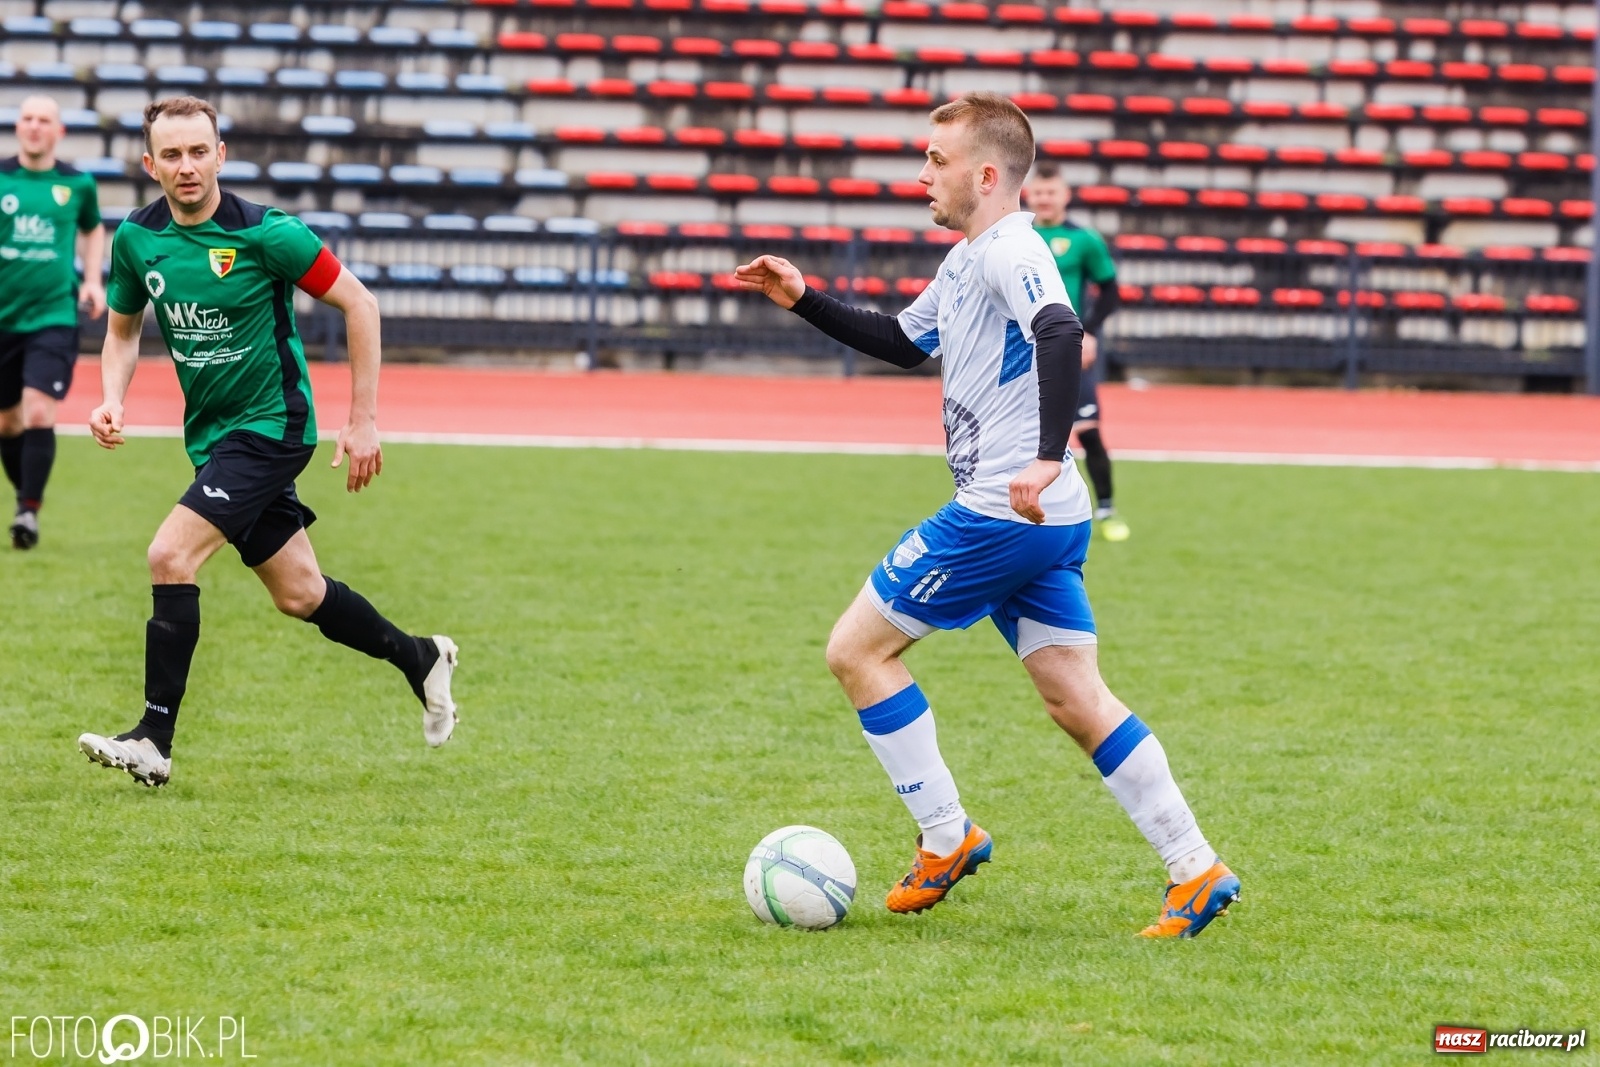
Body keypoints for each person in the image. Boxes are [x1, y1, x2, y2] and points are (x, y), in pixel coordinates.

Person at [735, 92, 1237, 937]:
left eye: (936, 159)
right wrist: (804, 297)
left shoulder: (1013, 247)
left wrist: (1047, 451)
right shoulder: (966, 260)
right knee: (1078, 698)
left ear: (988, 174)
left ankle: (946, 835)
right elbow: (902, 342)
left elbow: (1060, 327)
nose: (921, 173)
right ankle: (1196, 869)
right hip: (1045, 516)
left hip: (1004, 508)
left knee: (856, 651)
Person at [76, 96, 458, 788]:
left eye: (199, 151)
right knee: (300, 592)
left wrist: (363, 418)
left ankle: (154, 737)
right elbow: (124, 330)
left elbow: (360, 303)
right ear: (149, 164)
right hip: (214, 441)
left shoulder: (265, 233)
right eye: (172, 154)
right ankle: (421, 657)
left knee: (169, 554)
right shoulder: (136, 238)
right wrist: (112, 397)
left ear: (221, 154)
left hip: (272, 427)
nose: (186, 166)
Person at [0, 95, 106, 548]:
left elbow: (93, 227)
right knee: (7, 423)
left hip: (53, 314)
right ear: (17, 128)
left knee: (39, 407)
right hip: (4, 318)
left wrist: (93, 280)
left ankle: (28, 511)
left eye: (45, 120)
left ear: (59, 131)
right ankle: (27, 499)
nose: (35, 126)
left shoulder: (77, 184)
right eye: (27, 119)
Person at [1025, 162, 1128, 542]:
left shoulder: (1084, 240)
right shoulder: (1017, 238)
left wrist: (1089, 331)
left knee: (1087, 431)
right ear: (1028, 195)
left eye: (1052, 192)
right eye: (1039, 193)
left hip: (1070, 348)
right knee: (1020, 432)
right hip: (1025, 348)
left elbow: (1111, 291)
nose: (1045, 199)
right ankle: (1025, 511)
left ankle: (1106, 510)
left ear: (1065, 196)